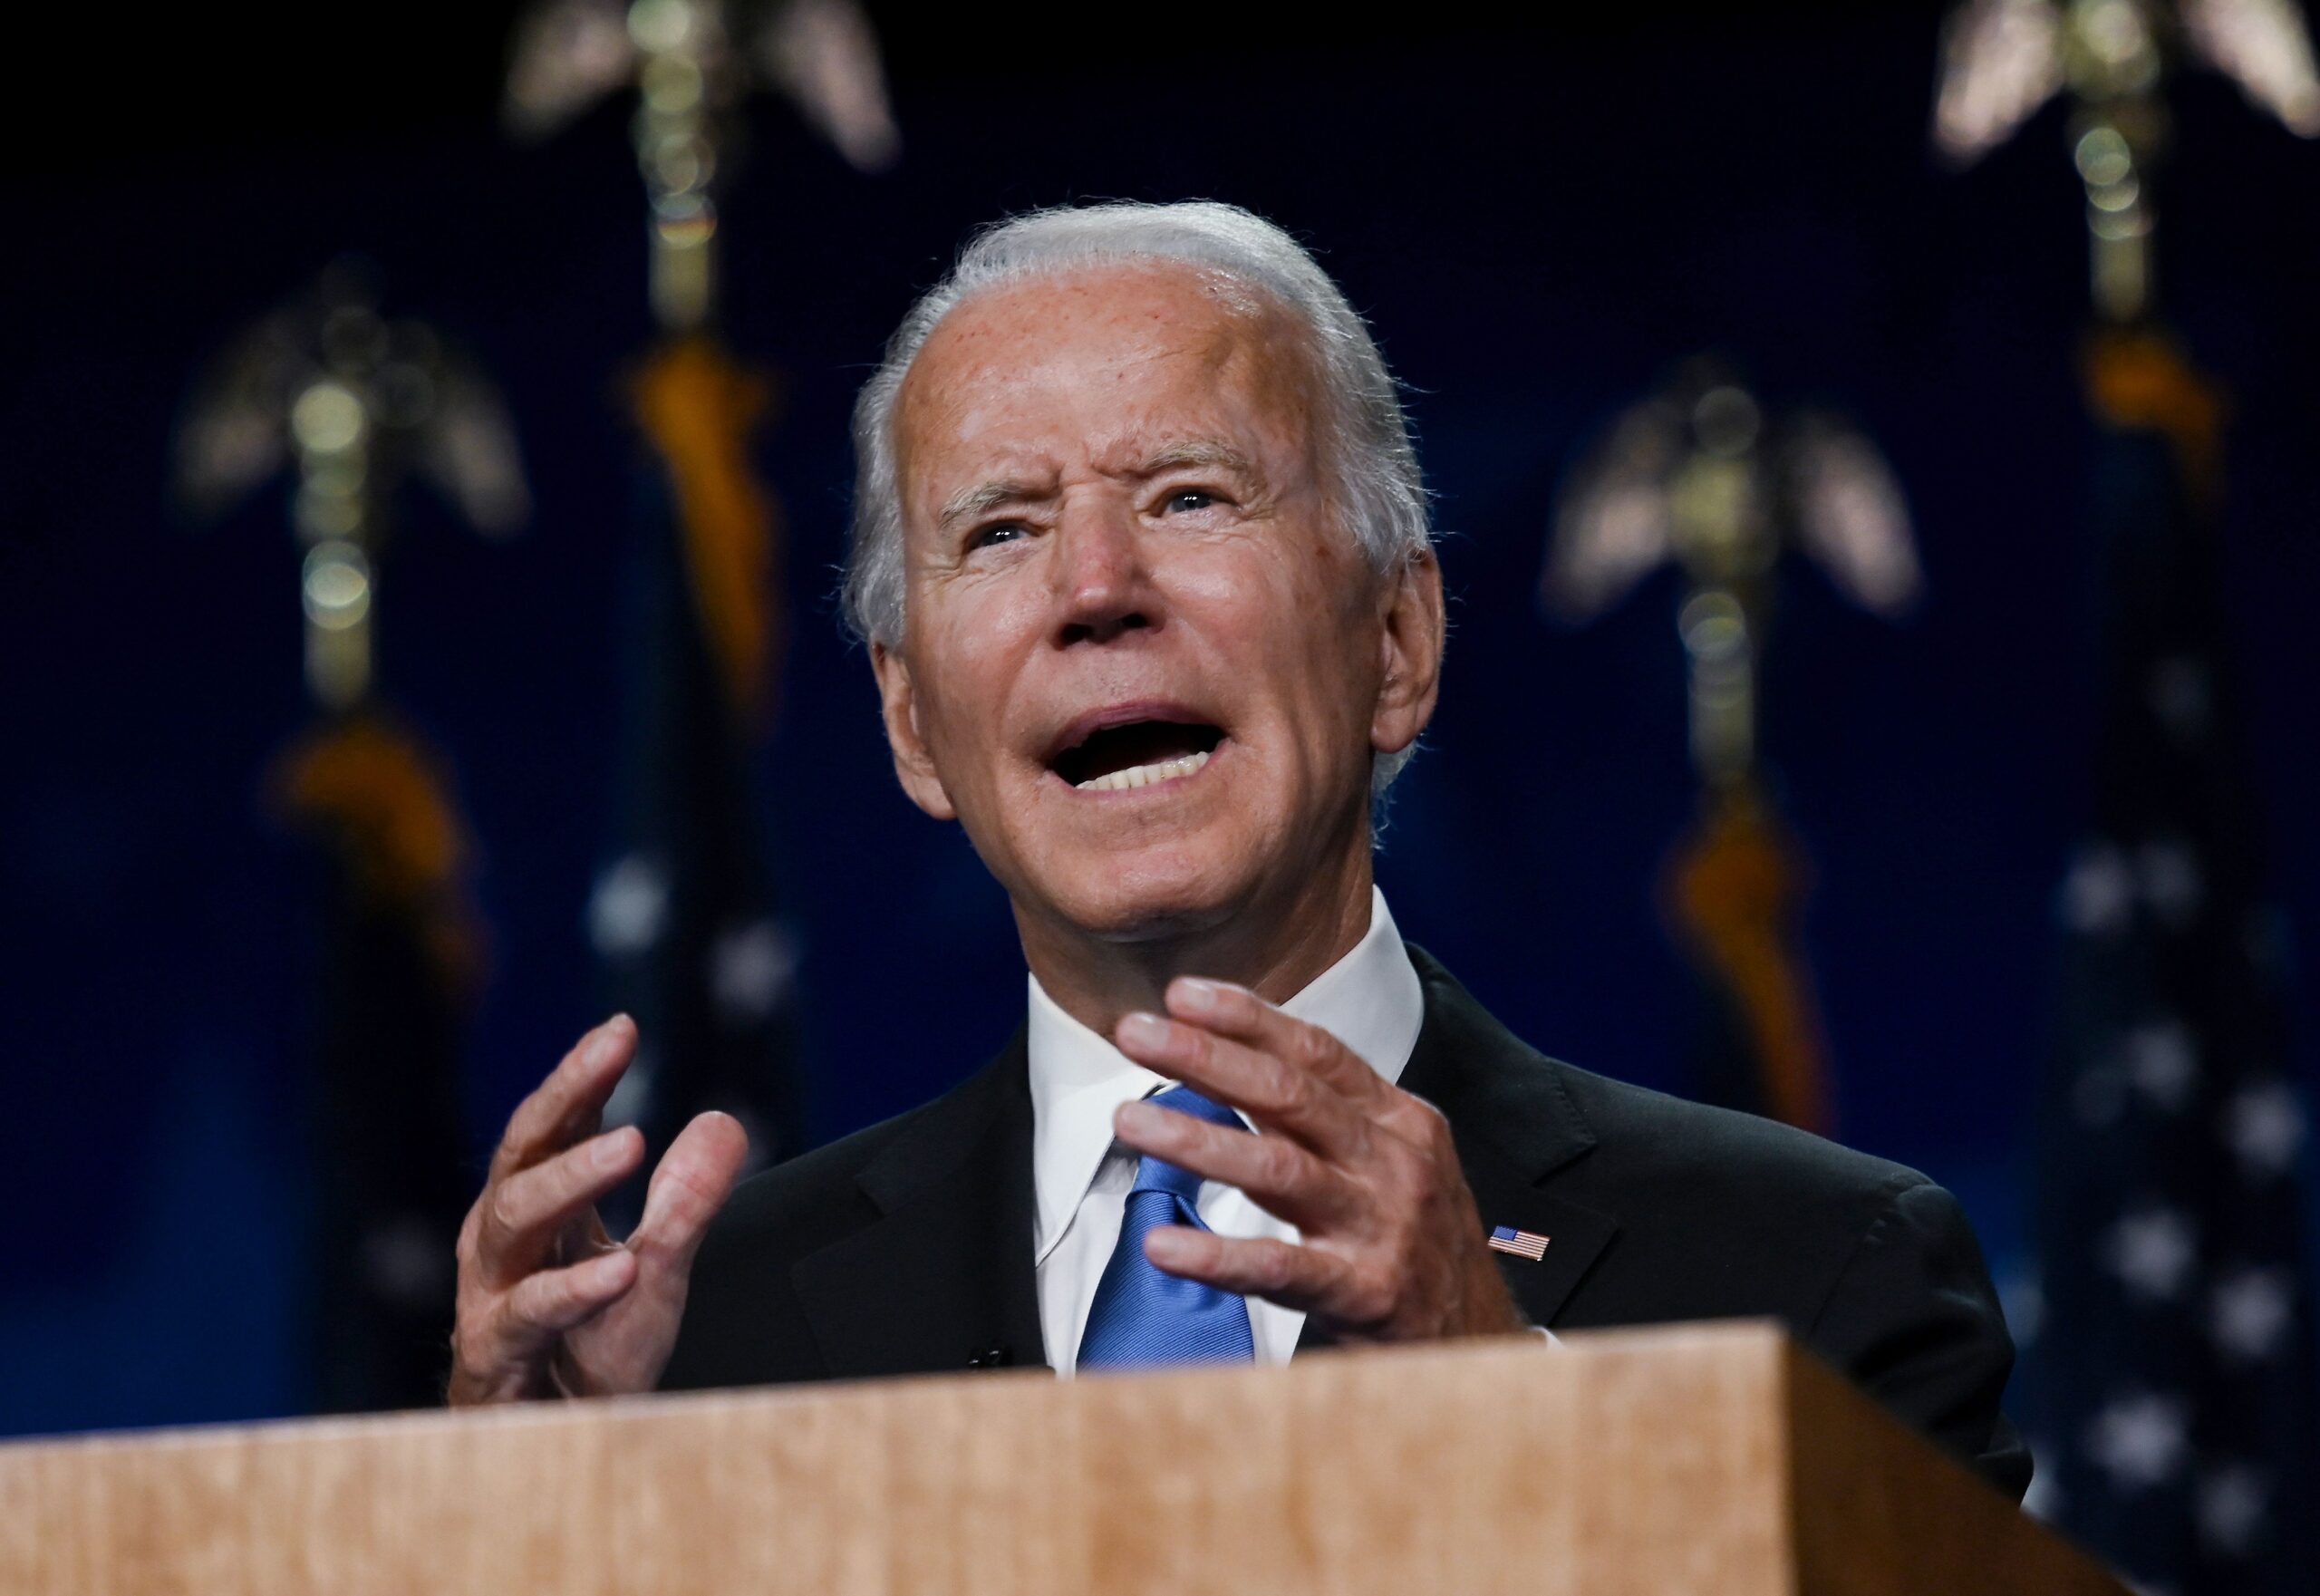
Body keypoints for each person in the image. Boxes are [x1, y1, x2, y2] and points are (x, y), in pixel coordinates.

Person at [447, 201, 2029, 1500]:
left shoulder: (1820, 1278)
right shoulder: (701, 1348)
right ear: (913, 723)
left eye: (1189, 496)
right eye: (1000, 527)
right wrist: (512, 1529)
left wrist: (1512, 1406)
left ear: (1398, 640)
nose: (1095, 585)